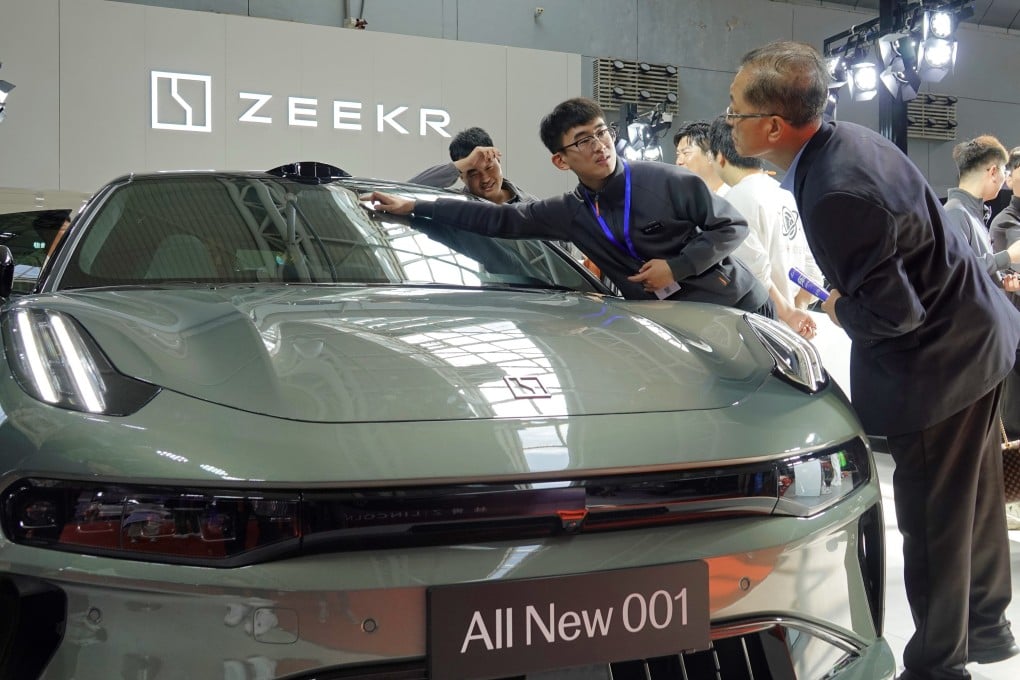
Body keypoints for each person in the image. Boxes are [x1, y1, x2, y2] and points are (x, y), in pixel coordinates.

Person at [729, 40, 1020, 679]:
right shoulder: (848, 141)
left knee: (935, 522)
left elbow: (895, 314)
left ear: (772, 125)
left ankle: (939, 666)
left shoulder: (835, 188)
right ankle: (988, 629)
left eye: (735, 112)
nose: (728, 121)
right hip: (979, 336)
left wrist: (836, 307)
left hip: (940, 362)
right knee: (973, 499)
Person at [365, 97, 770, 313]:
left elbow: (731, 227)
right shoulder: (566, 212)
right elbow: (493, 219)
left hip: (735, 305)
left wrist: (677, 266)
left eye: (601, 133)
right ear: (560, 160)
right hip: (671, 319)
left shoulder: (667, 180)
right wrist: (414, 206)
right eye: (583, 140)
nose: (599, 146)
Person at [707, 115, 821, 338]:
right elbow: (811, 265)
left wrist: (788, 314)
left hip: (758, 328)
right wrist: (798, 311)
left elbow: (753, 271)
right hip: (793, 331)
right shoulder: (786, 193)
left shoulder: (735, 198)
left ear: (719, 157)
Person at [944, 135, 1020, 281]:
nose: (1004, 179)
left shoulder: (969, 213)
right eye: (1005, 172)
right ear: (993, 172)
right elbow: (955, 270)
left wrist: (1003, 280)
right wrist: (1008, 256)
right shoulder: (956, 213)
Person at [408, 126, 537, 205]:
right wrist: (466, 163)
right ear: (461, 177)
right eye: (473, 173)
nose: (485, 179)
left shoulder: (532, 207)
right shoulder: (454, 205)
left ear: (498, 160)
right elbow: (406, 192)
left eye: (489, 168)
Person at [673, 120, 730, 196]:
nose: (678, 162)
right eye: (678, 154)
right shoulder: (687, 199)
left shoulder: (735, 198)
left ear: (711, 156)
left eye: (686, 153)